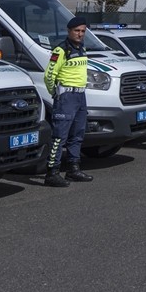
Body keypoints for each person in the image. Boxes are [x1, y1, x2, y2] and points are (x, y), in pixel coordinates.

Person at [43, 18, 94, 185]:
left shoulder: (82, 49)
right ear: (69, 31)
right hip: (66, 97)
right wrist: (56, 93)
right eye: (77, 30)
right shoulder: (61, 50)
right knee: (59, 136)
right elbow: (49, 76)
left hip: (80, 96)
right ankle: (52, 173)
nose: (80, 34)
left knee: (77, 135)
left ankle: (73, 169)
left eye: (83, 31)